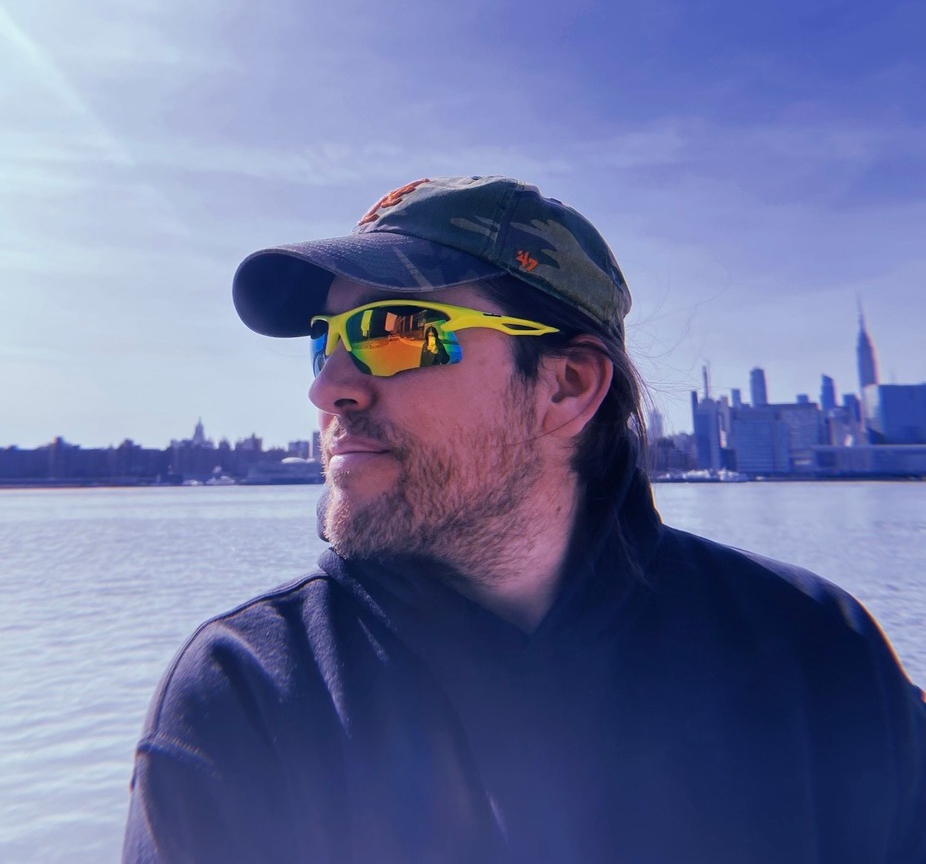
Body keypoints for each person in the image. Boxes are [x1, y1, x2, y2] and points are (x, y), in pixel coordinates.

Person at [123, 176, 926, 864]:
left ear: (567, 386)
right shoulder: (247, 698)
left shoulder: (817, 653)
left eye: (394, 331)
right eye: (323, 341)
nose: (328, 387)